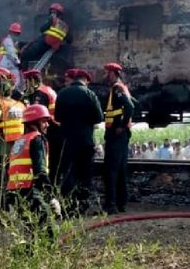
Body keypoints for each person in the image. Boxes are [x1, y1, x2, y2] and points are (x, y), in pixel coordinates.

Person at [7, 104, 61, 240]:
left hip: (15, 191)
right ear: (34, 123)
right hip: (30, 190)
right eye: (44, 121)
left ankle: (28, 257)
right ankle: (48, 258)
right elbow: (40, 170)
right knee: (49, 230)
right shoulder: (37, 139)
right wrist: (51, 196)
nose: (47, 125)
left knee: (30, 231)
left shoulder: (20, 140)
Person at [54, 69, 103, 214]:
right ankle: (82, 205)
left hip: (67, 140)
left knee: (69, 171)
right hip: (86, 140)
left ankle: (67, 204)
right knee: (85, 173)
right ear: (86, 80)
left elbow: (57, 116)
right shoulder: (90, 94)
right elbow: (99, 117)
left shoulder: (63, 93)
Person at [102, 62, 134, 214]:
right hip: (119, 134)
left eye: (107, 73)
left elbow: (130, 107)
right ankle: (121, 203)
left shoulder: (117, 88)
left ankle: (111, 205)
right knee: (120, 169)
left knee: (111, 170)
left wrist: (121, 125)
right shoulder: (121, 88)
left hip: (116, 133)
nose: (105, 76)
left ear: (113, 73)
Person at [0, 67, 26, 190]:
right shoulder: (20, 105)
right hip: (18, 145)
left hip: (0, 145)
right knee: (12, 171)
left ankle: (0, 195)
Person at [21, 69, 61, 181]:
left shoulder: (39, 94)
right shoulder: (48, 91)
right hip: (52, 129)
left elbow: (36, 115)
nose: (25, 84)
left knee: (43, 160)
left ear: (33, 81)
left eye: (27, 81)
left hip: (46, 130)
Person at [0, 22, 23, 88]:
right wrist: (18, 63)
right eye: (15, 33)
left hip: (8, 66)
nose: (16, 35)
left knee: (12, 82)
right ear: (11, 32)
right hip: (6, 66)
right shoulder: (8, 40)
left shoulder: (13, 42)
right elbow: (11, 53)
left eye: (17, 33)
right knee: (15, 82)